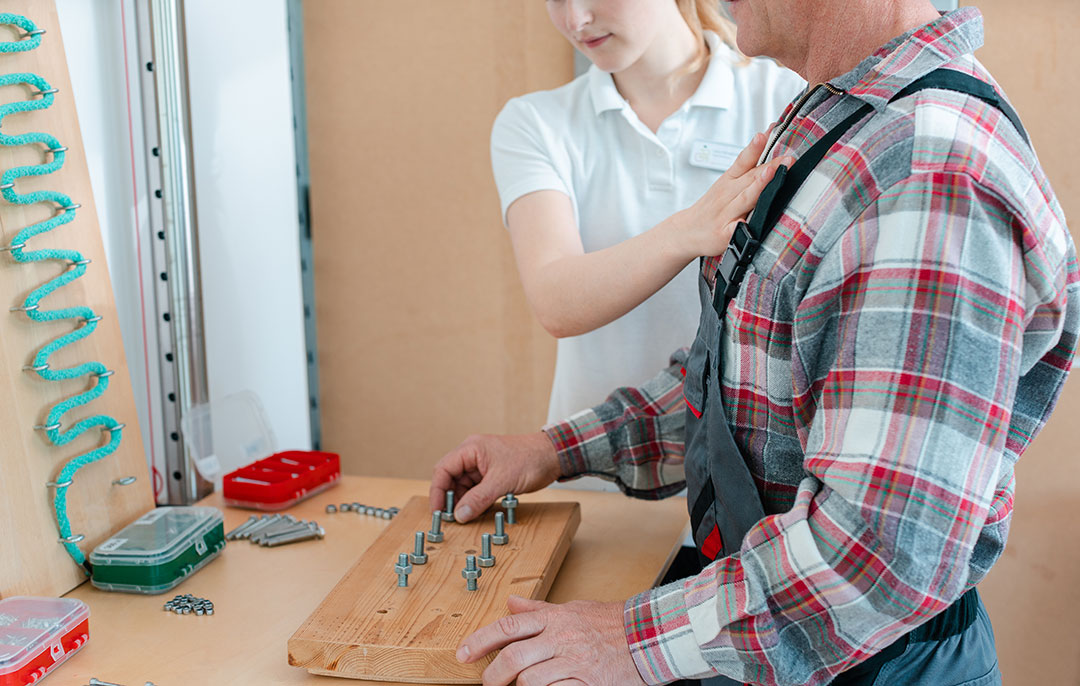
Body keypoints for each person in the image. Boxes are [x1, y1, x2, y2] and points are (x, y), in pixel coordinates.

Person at [431, 1, 1079, 685]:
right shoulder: (835, 115)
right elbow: (747, 387)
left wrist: (628, 639)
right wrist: (557, 450)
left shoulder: (928, 173)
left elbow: (877, 555)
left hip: (869, 665)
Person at [492, 0, 804, 425]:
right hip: (589, 449)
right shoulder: (536, 122)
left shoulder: (785, 99)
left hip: (740, 452)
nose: (576, 20)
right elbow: (555, 302)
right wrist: (687, 231)